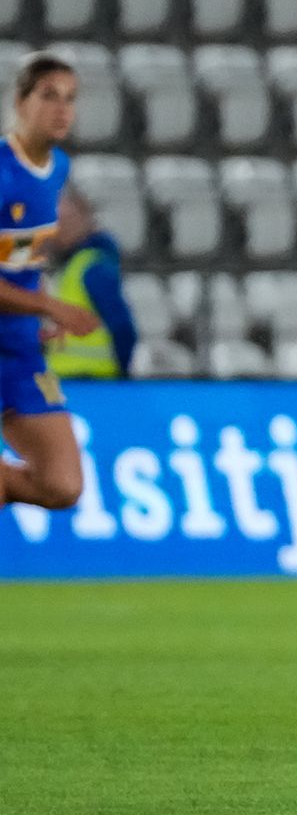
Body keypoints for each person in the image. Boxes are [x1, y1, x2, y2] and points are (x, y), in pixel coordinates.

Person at [0, 52, 98, 512]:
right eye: (49, 96)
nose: (62, 109)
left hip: (19, 345)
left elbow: (22, 258)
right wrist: (51, 308)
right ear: (20, 103)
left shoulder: (57, 169)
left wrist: (41, 302)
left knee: (63, 486)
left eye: (70, 99)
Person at [43, 190, 137, 379]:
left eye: (67, 221)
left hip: (91, 378)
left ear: (85, 220)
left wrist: (123, 375)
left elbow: (121, 326)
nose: (60, 229)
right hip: (69, 378)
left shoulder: (93, 267)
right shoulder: (71, 266)